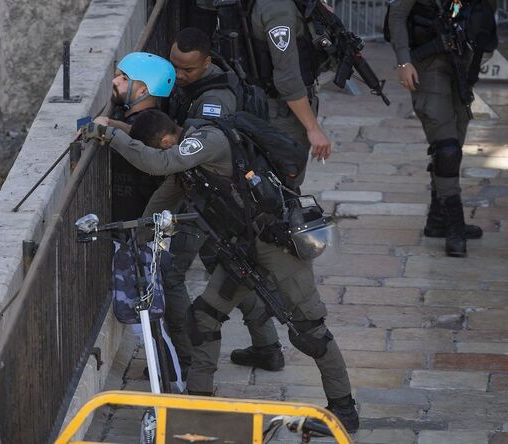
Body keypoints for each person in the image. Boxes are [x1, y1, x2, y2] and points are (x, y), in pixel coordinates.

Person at [82, 110, 360, 432]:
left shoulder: (207, 141)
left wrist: (107, 134)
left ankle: (343, 409)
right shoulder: (188, 169)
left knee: (311, 328)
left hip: (275, 246)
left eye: (161, 149)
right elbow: (163, 198)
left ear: (167, 140)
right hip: (242, 250)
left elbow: (159, 164)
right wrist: (138, 239)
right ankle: (199, 402)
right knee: (204, 317)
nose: (164, 155)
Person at [166, 28, 286, 374]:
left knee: (171, 273)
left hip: (209, 201)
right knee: (233, 272)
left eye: (187, 70)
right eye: (174, 66)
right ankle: (267, 347)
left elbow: (194, 156)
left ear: (206, 62)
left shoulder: (215, 101)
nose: (179, 75)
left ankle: (184, 358)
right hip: (215, 200)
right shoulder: (204, 78)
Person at [388, 0, 485, 257]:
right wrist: (403, 62)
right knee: (446, 150)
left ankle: (437, 219)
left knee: (454, 145)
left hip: (460, 65)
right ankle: (454, 225)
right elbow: (396, 16)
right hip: (427, 66)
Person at [249, 0, 333, 185]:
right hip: (282, 112)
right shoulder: (278, 8)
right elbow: (287, 79)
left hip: (284, 107)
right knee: (284, 187)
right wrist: (313, 128)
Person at [108, 52, 176, 221]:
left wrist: (103, 124)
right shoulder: (149, 116)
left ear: (143, 91)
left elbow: (135, 132)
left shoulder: (153, 128)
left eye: (124, 78)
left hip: (139, 228)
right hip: (129, 223)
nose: (114, 82)